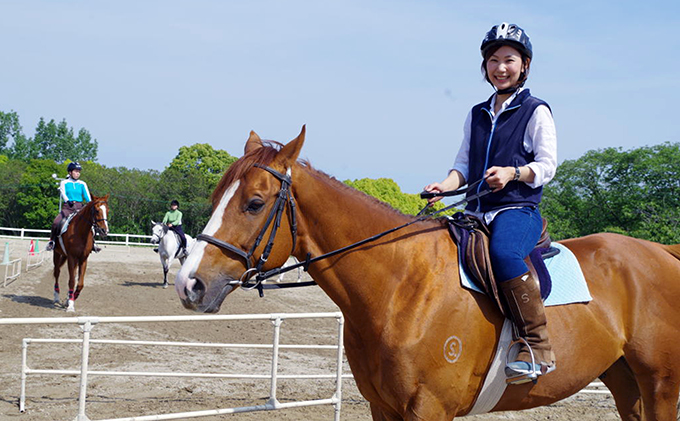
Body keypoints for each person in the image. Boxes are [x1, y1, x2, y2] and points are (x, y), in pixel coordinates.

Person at [423, 23, 557, 381]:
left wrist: (513, 174)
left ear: (524, 64)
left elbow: (547, 166)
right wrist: (443, 186)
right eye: (493, 60)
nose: (500, 67)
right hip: (473, 210)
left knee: (504, 253)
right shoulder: (477, 113)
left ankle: (536, 344)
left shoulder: (536, 110)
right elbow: (463, 166)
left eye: (509, 60)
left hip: (518, 208)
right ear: (485, 67)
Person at [46, 162, 101, 253]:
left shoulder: (82, 183)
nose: (78, 173)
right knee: (56, 222)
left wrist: (91, 204)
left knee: (91, 223)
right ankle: (52, 241)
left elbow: (87, 196)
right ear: (70, 172)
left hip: (80, 207)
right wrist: (68, 201)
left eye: (79, 171)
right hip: (68, 207)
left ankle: (93, 243)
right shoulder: (64, 182)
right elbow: (63, 193)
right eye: (76, 171)